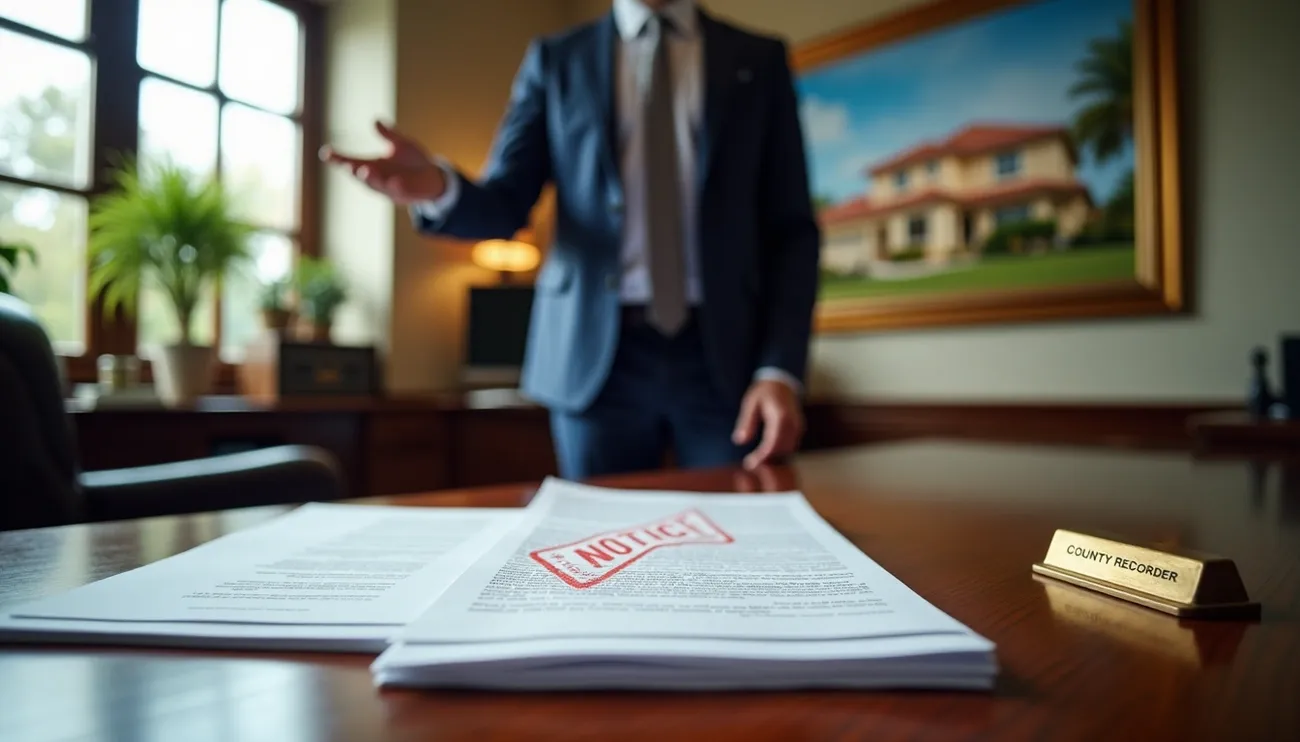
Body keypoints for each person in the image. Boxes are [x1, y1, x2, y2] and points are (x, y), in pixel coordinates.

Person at [322, 0, 821, 479]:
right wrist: (438, 188)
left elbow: (792, 230)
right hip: (593, 360)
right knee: (599, 547)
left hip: (727, 360)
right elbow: (506, 201)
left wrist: (780, 369)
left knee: (739, 542)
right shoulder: (557, 58)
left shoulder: (759, 59)